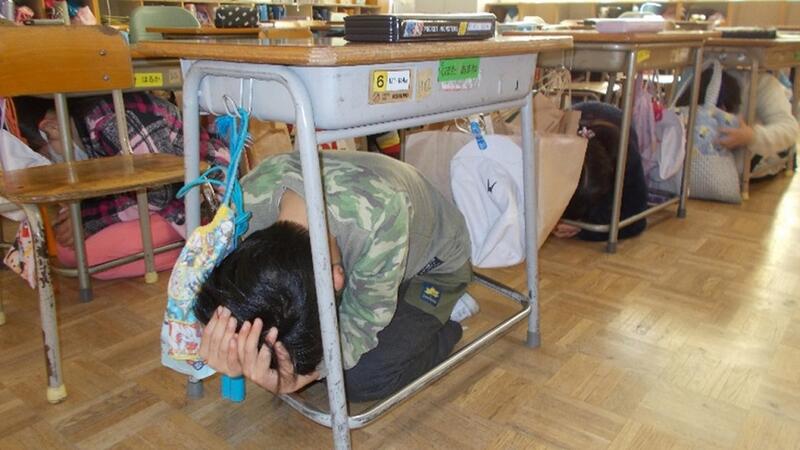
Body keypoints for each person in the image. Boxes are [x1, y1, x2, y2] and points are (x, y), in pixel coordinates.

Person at [195, 151, 478, 402]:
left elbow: (359, 325)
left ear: (337, 279)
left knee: (360, 380)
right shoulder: (244, 208)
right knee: (306, 354)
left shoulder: (380, 218)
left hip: (434, 268)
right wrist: (225, 341)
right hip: (376, 254)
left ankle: (446, 322)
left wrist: (300, 378)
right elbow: (206, 287)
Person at [677, 68, 799, 178]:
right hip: (701, 165)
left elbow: (790, 129)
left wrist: (752, 136)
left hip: (751, 163)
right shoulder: (693, 71)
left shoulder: (762, 83)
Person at [553, 101, 648, 242]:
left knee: (610, 210)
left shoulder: (626, 153)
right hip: (575, 122)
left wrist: (583, 229)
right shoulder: (554, 147)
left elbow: (636, 221)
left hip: (617, 128)